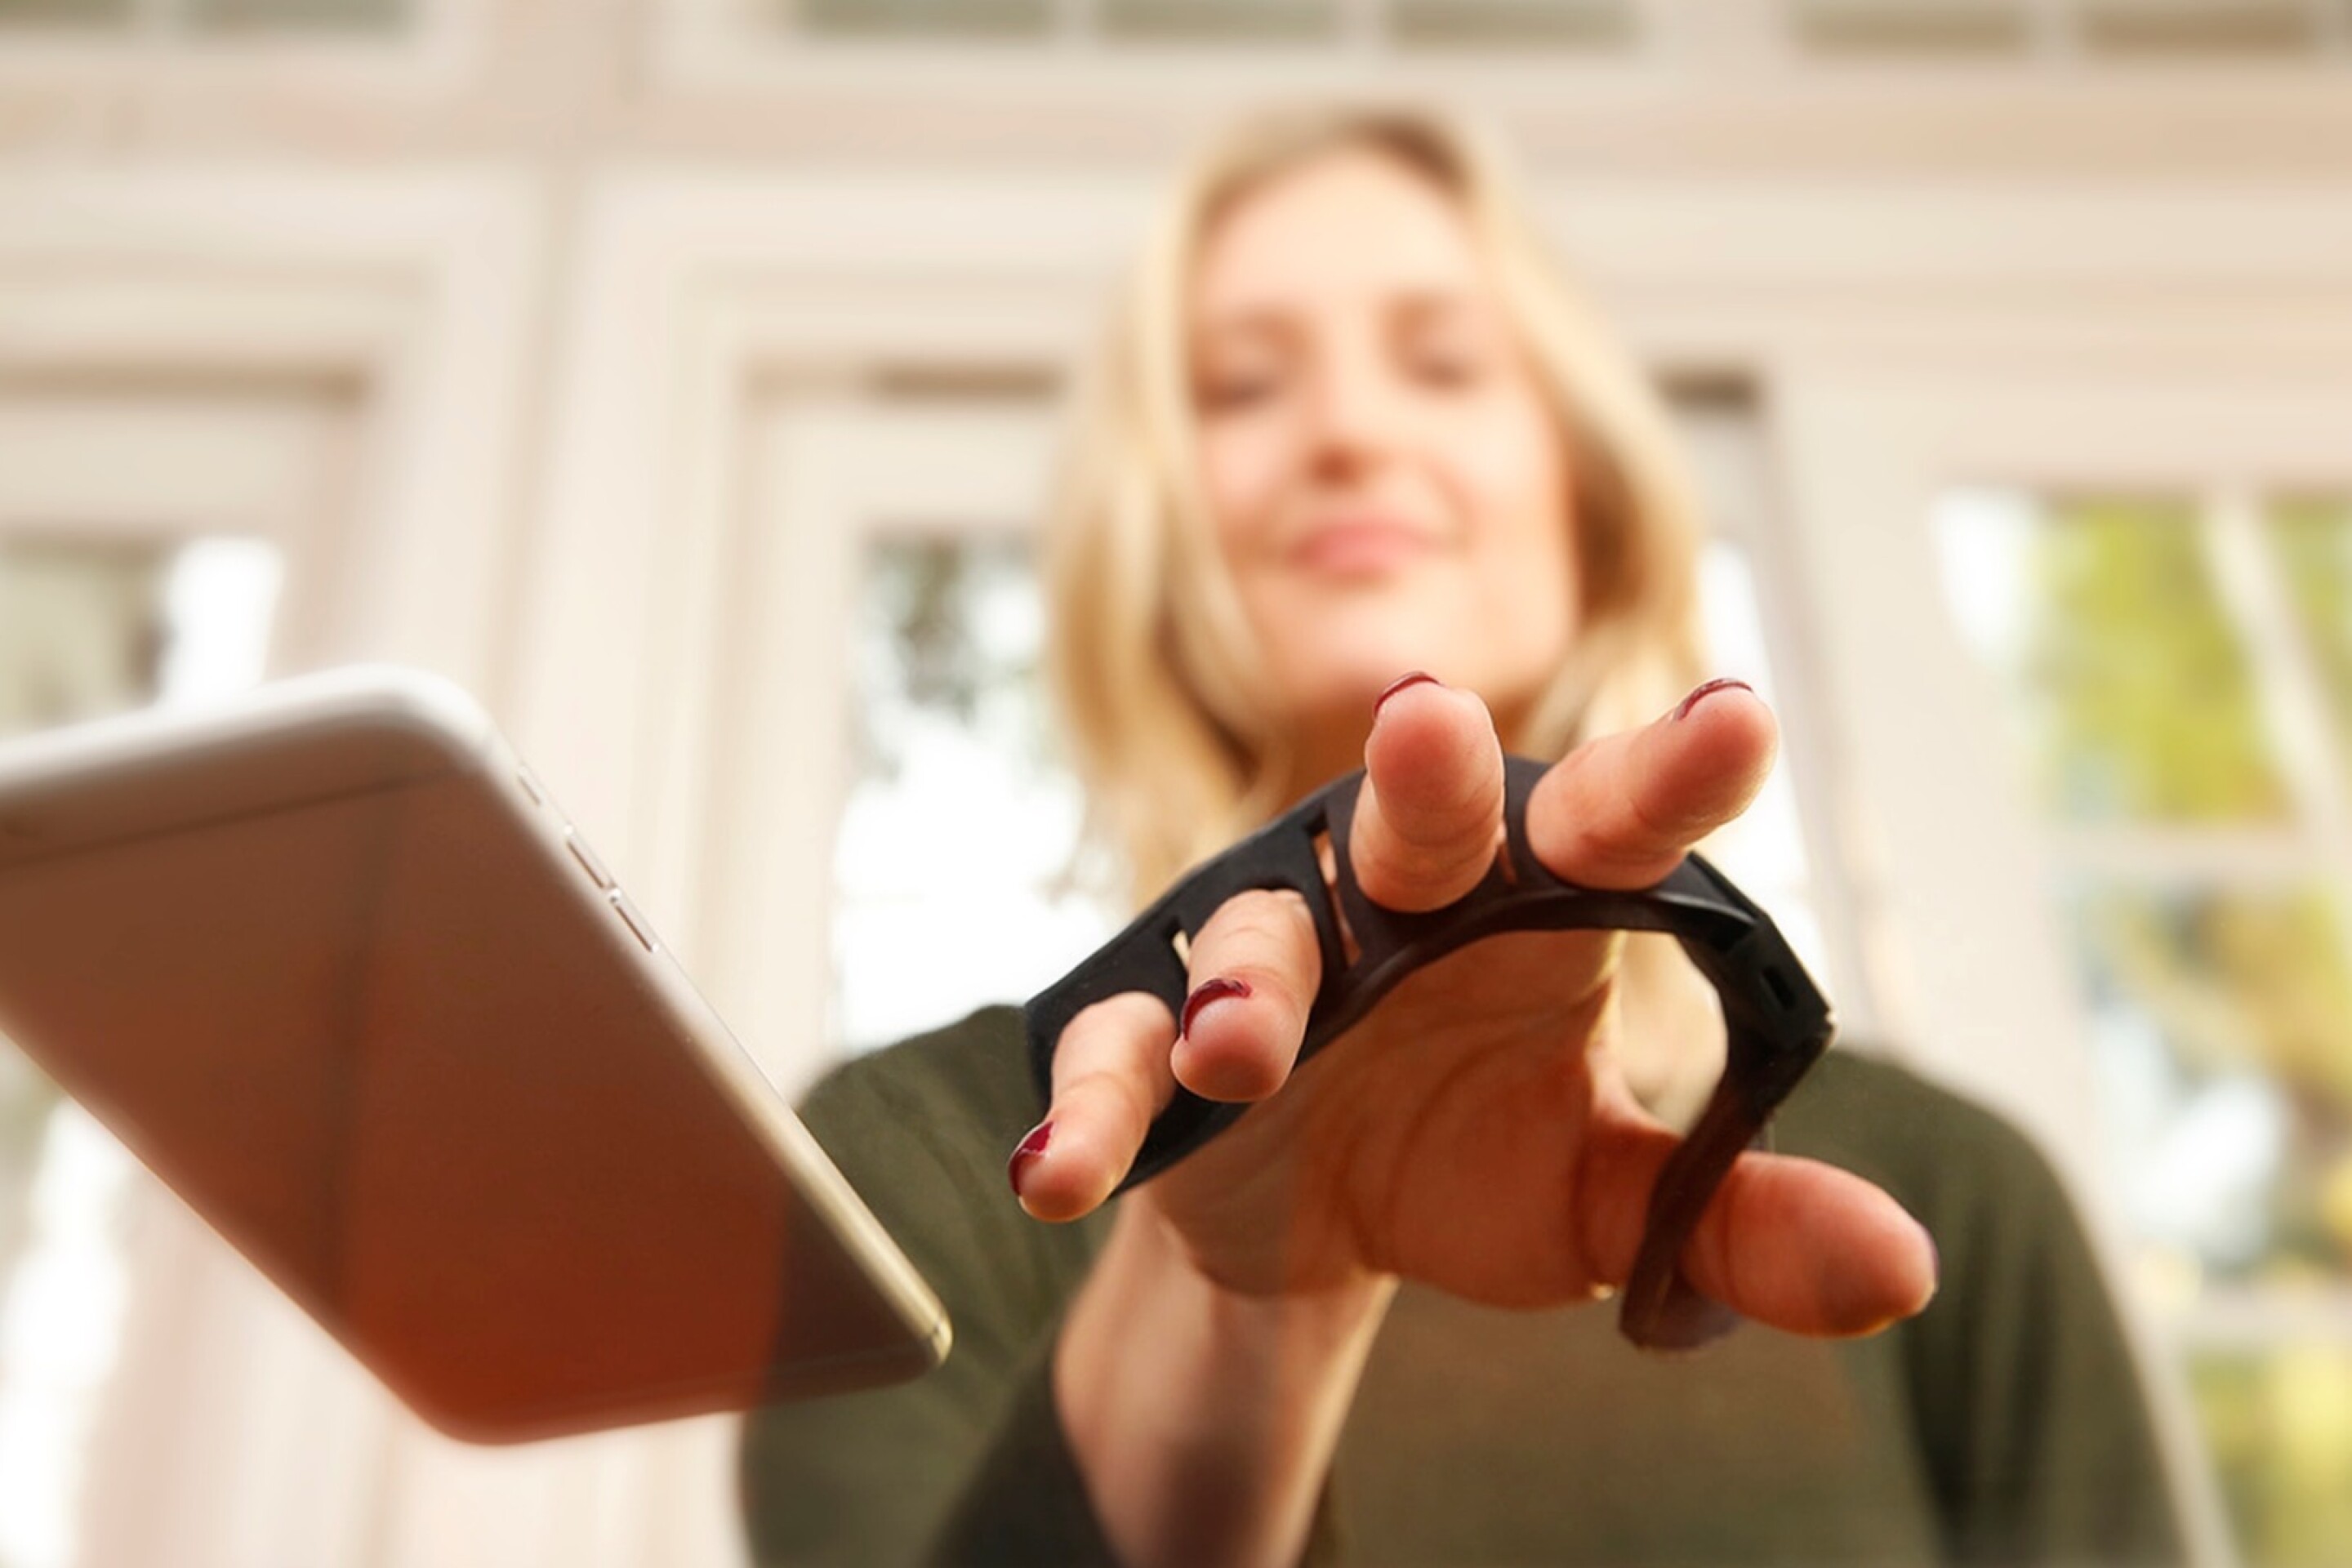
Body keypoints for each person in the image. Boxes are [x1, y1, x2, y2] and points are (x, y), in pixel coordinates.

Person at [737, 103, 2189, 1567]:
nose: (1351, 432)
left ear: (1589, 503)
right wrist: (1240, 1304)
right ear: (1155, 534)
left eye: (1444, 365)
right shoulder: (925, 1160)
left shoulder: (1939, 1195)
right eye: (1241, 389)